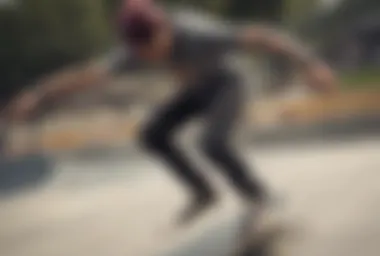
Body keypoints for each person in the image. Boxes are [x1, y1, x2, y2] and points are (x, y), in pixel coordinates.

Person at [6, 0, 336, 225]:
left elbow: (265, 36)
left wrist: (311, 64)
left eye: (156, 48)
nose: (152, 57)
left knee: (213, 144)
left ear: (164, 27)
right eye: (143, 53)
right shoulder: (132, 54)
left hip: (228, 84)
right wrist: (38, 93)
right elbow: (86, 76)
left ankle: (260, 199)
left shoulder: (199, 34)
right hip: (194, 92)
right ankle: (202, 192)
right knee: (151, 134)